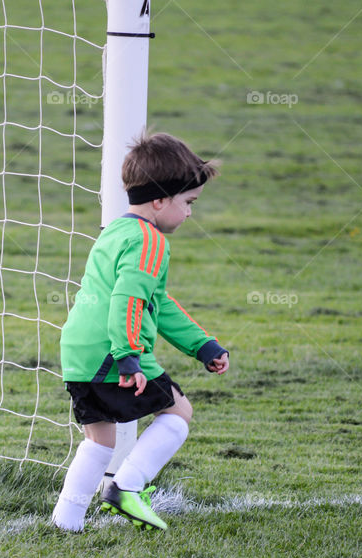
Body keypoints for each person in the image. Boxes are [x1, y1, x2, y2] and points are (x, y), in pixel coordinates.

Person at [52, 132, 230, 532]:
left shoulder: (116, 231)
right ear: (160, 200)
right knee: (179, 411)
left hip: (80, 350)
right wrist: (128, 355)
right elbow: (129, 300)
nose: (189, 214)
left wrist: (202, 346)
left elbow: (158, 302)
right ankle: (126, 486)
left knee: (99, 443)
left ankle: (65, 523)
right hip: (113, 351)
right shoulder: (149, 241)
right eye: (188, 203)